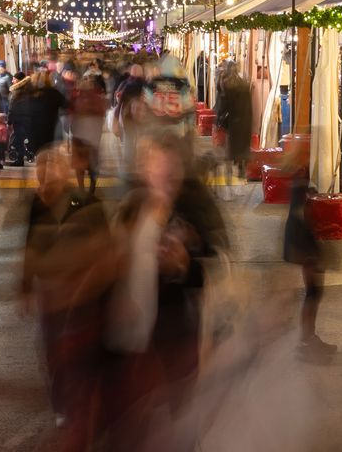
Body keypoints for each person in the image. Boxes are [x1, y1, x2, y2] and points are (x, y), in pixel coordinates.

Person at [102, 132, 227, 448]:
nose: (167, 177)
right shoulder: (131, 207)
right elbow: (110, 261)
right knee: (132, 424)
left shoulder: (192, 212)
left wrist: (184, 266)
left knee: (179, 421)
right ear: (146, 168)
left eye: (173, 172)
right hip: (129, 338)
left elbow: (214, 268)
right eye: (161, 169)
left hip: (174, 338)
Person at [23, 145, 115, 446]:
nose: (47, 173)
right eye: (42, 168)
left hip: (82, 292)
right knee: (53, 350)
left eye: (53, 167)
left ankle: (86, 408)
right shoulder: (35, 205)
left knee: (81, 349)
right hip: (51, 293)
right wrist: (25, 285)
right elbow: (29, 248)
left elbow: (105, 246)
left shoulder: (86, 203)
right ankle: (64, 404)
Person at [280, 139, 337, 361]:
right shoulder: (300, 174)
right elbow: (300, 212)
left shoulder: (297, 174)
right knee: (313, 292)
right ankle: (306, 341)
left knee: (314, 292)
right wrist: (308, 248)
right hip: (301, 238)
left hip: (300, 237)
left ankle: (309, 338)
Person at [214, 61, 255, 181]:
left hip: (234, 119)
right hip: (246, 118)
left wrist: (219, 118)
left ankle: (230, 169)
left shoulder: (228, 84)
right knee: (243, 145)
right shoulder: (244, 83)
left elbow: (223, 104)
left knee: (233, 144)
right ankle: (241, 167)